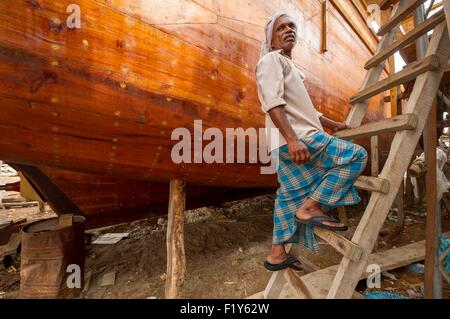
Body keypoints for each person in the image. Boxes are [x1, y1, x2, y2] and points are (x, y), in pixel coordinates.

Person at [255, 12, 368, 271]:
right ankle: (310, 207)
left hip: (284, 141)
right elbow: (272, 102)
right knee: (355, 156)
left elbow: (307, 110)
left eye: (292, 26)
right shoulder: (271, 60)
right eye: (281, 28)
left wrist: (333, 124)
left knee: (288, 194)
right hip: (299, 138)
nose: (288, 30)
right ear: (271, 40)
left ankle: (276, 253)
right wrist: (293, 140)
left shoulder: (287, 66)